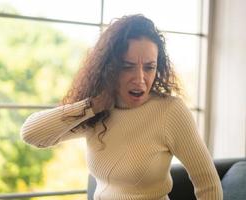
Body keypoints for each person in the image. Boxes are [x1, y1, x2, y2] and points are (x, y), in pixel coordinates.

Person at [21, 14, 223, 200]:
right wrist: (91, 106)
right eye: (128, 66)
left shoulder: (170, 111)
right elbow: (31, 134)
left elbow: (209, 186)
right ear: (110, 67)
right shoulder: (96, 111)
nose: (140, 79)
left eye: (149, 67)